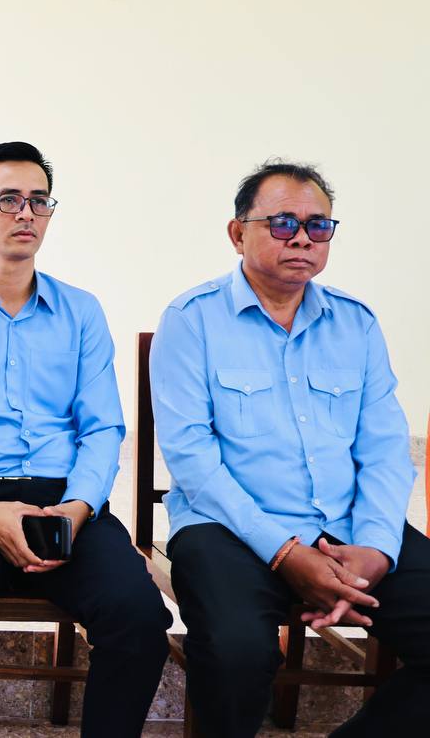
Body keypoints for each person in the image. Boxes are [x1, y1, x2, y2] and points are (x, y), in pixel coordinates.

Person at [0, 141, 170, 737]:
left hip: (64, 502)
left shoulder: (81, 312)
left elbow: (103, 428)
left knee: (139, 617)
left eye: (39, 201)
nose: (26, 213)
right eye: (9, 200)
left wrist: (77, 509)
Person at [151, 160, 427, 736]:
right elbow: (193, 461)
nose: (302, 238)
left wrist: (376, 549)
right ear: (238, 233)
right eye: (282, 223)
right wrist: (287, 554)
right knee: (236, 655)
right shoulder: (191, 320)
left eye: (318, 225)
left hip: (349, 529)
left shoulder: (356, 324)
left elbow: (384, 449)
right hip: (228, 531)